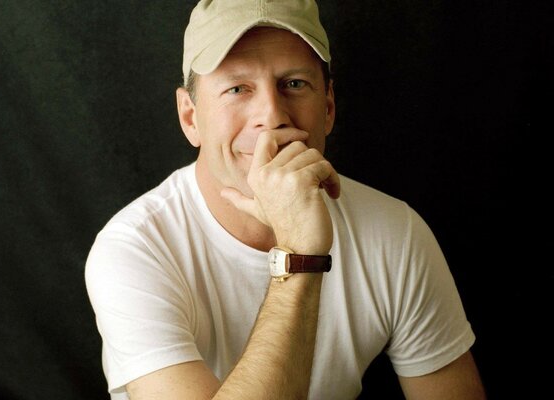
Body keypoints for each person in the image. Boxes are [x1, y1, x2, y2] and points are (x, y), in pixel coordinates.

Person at [85, 0, 486, 399]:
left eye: (294, 84)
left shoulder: (396, 233)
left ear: (327, 108)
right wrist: (299, 254)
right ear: (191, 117)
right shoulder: (135, 248)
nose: (272, 115)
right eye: (237, 88)